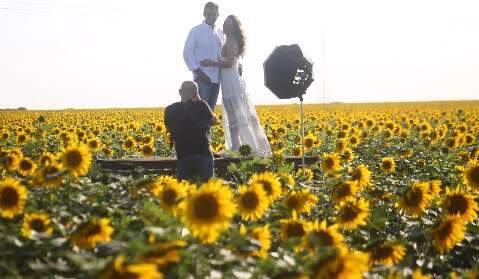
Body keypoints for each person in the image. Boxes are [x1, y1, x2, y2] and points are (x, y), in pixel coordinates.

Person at [200, 15, 272, 157]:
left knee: (236, 116)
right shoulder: (228, 40)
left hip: (232, 82)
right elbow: (235, 62)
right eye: (225, 23)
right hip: (229, 81)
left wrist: (211, 63)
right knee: (233, 116)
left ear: (234, 28)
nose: (225, 26)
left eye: (229, 24)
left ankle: (240, 147)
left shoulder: (232, 41)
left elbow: (229, 63)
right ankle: (235, 146)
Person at [164, 81, 216, 182]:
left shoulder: (170, 109)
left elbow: (168, 129)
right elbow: (213, 121)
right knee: (206, 191)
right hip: (203, 154)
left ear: (180, 92)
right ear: (196, 93)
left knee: (186, 191)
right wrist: (200, 100)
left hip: (183, 155)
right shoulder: (201, 105)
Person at [183, 2, 223, 111]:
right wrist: (200, 73)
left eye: (214, 14)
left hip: (217, 79)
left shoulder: (220, 32)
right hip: (202, 79)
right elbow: (187, 53)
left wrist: (235, 64)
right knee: (200, 112)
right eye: (209, 14)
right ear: (204, 14)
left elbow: (223, 55)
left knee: (210, 113)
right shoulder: (196, 31)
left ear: (218, 15)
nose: (211, 17)